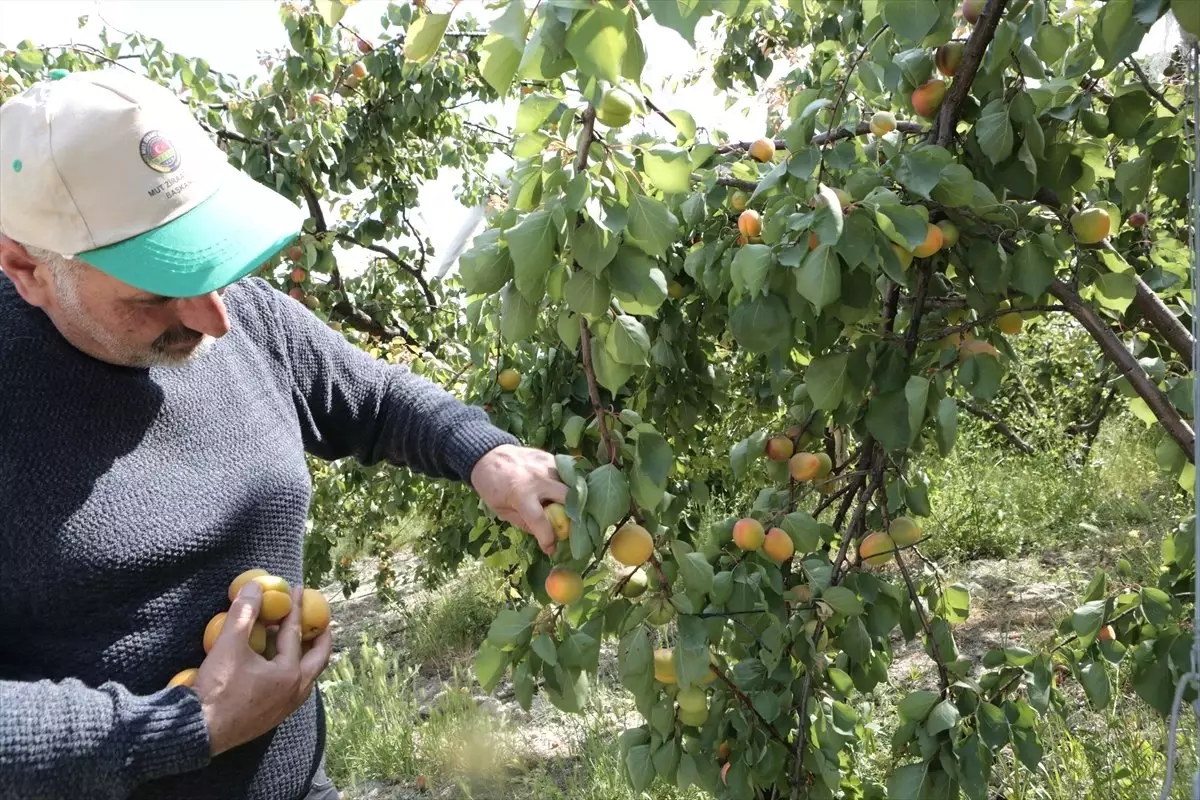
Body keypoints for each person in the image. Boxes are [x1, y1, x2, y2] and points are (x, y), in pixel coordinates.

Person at [0, 68, 565, 800]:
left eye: (212, 268)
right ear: (27, 269)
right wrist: (185, 726)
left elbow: (373, 398)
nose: (215, 319)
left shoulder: (239, 313)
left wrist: (483, 452)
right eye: (156, 293)